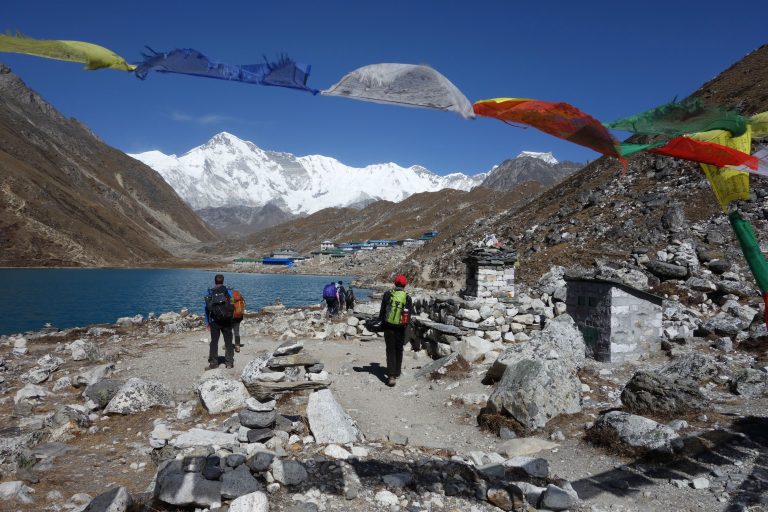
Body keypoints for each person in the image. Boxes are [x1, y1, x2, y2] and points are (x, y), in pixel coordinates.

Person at [379, 274, 414, 387]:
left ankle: (391, 376)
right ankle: (397, 371)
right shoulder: (407, 298)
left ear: (394, 283)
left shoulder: (388, 294)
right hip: (401, 327)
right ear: (405, 285)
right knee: (399, 349)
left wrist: (381, 323)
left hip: (388, 326)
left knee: (390, 350)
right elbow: (409, 315)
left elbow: (382, 311)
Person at [204, 274, 235, 369]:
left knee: (214, 342)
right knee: (228, 341)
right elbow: (233, 305)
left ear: (215, 281)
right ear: (223, 281)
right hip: (227, 320)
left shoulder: (210, 292)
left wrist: (207, 322)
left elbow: (206, 308)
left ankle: (213, 363)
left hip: (214, 321)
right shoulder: (228, 292)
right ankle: (229, 363)